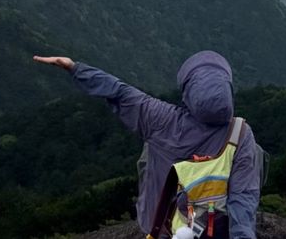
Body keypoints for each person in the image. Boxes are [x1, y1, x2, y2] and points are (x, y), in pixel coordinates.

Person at [33, 50, 259, 239]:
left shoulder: (161, 119)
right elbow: (244, 197)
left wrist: (75, 68)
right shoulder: (239, 134)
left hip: (162, 230)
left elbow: (119, 92)